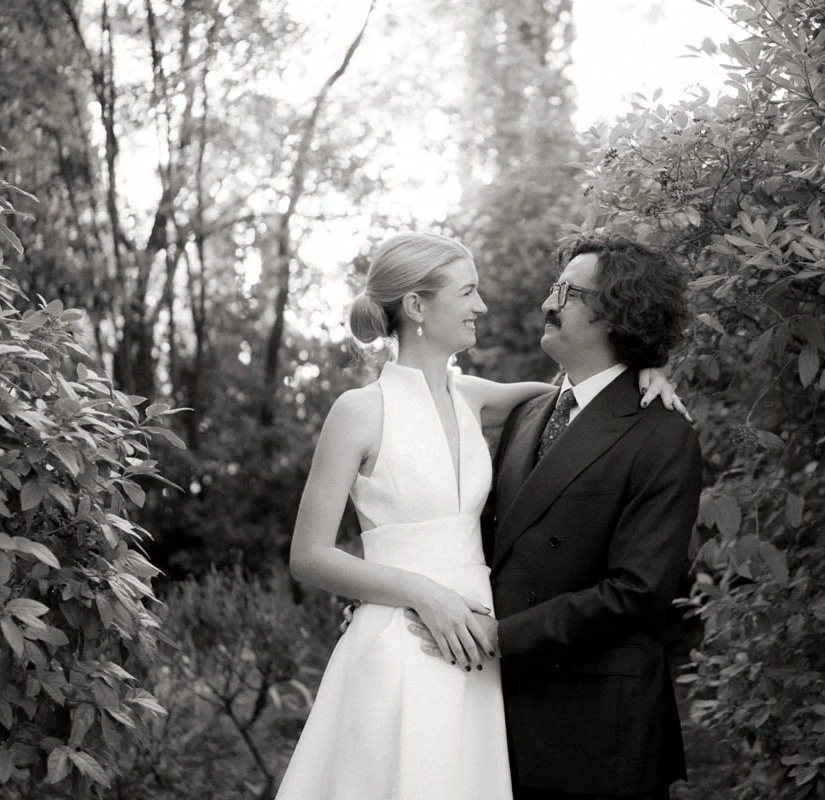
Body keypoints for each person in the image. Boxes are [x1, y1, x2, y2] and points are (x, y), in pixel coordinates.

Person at [274, 231, 684, 800]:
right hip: (409, 635)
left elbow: (578, 406)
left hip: (484, 647)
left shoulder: (474, 397)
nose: (482, 306)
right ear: (417, 306)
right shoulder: (358, 411)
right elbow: (309, 555)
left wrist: (646, 370)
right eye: (468, 292)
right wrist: (416, 592)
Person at [409, 234, 703, 799]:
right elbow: (478, 538)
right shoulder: (530, 413)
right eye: (553, 288)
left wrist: (503, 635)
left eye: (567, 292)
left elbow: (637, 594)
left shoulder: (663, 434)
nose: (548, 303)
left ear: (618, 312)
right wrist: (388, 596)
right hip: (500, 715)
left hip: (598, 730)